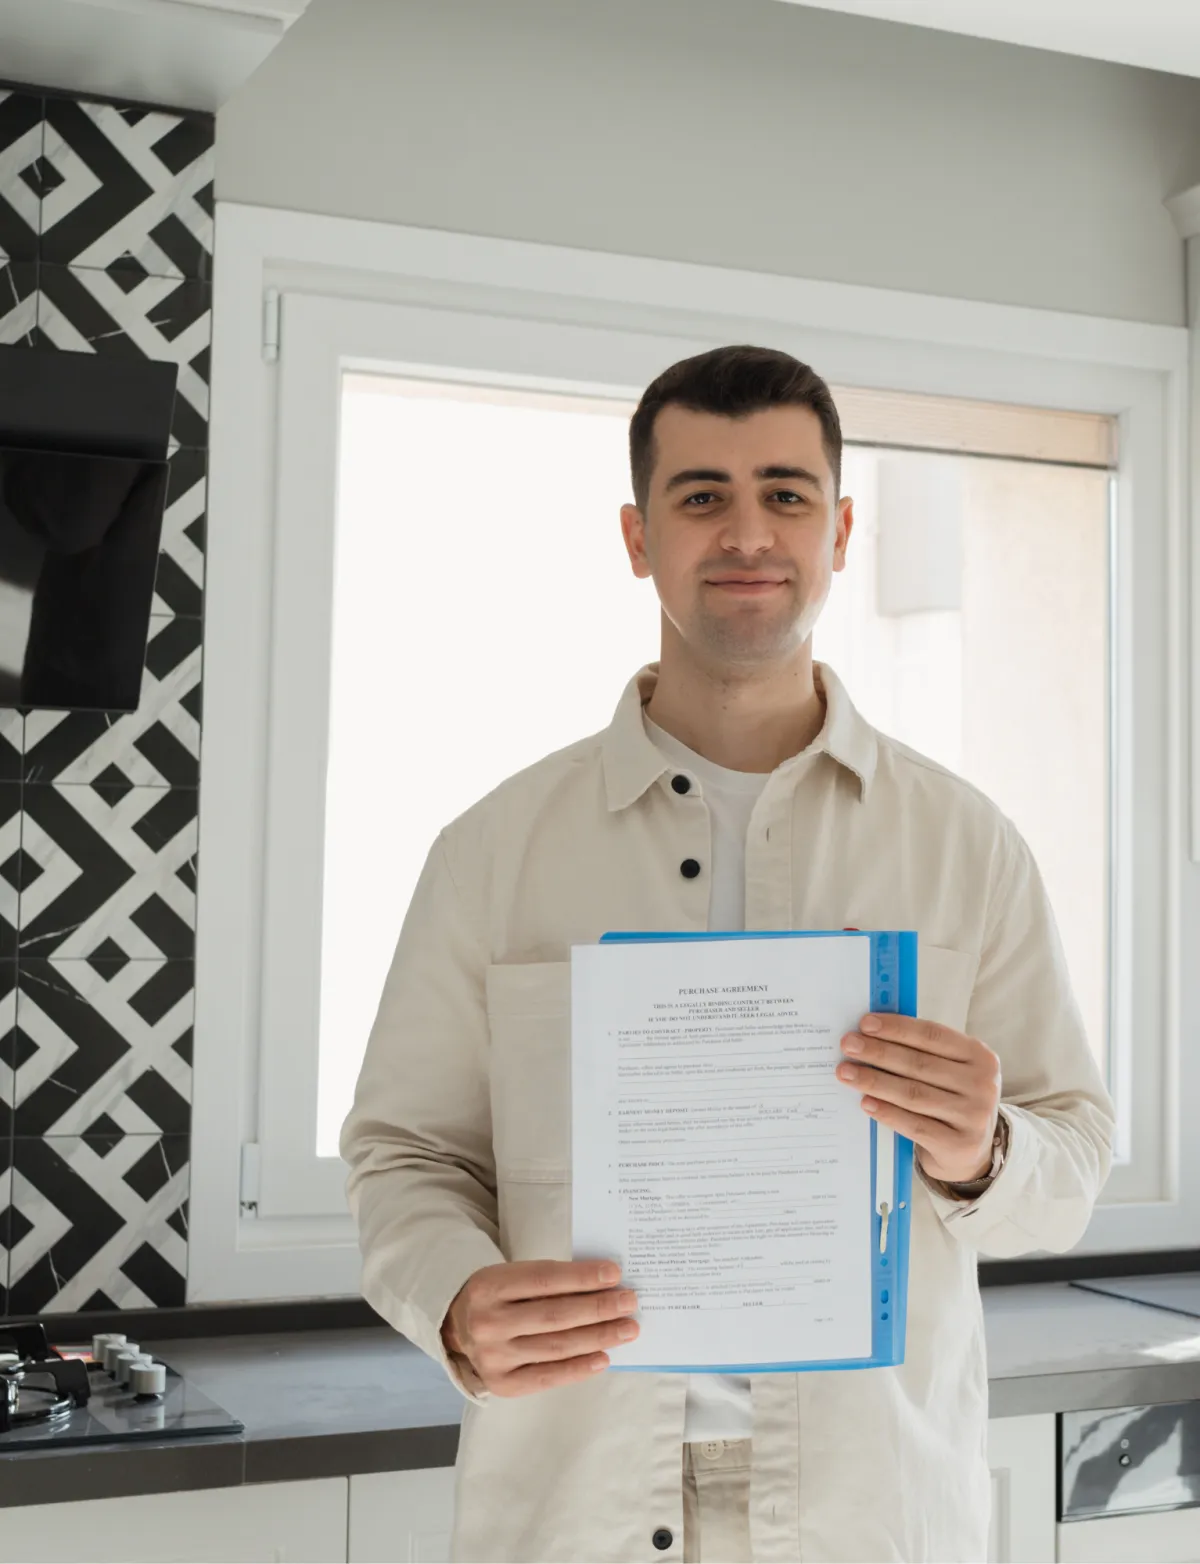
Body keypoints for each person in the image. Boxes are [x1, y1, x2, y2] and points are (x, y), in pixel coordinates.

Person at [340, 345, 1114, 1563]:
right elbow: (403, 1154)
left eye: (786, 494)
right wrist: (452, 1299)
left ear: (843, 528)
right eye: (701, 496)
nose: (747, 531)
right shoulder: (492, 851)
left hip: (876, 1516)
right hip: (574, 1510)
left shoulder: (971, 846)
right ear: (638, 537)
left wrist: (986, 1148)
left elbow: (1073, 1153)